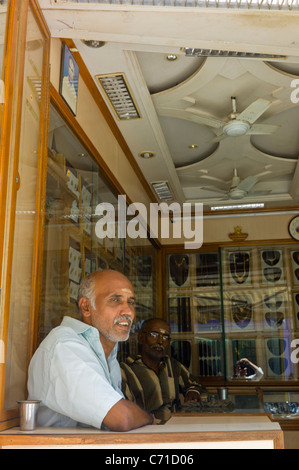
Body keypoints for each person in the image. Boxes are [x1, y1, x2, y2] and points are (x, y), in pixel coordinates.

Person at [27, 270, 154, 431]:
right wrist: (150, 418)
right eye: (115, 300)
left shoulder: (108, 353)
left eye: (130, 302)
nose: (128, 311)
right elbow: (122, 418)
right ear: (86, 307)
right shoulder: (64, 346)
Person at [120, 317, 207, 423]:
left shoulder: (172, 365)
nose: (160, 341)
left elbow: (194, 384)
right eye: (154, 335)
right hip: (144, 430)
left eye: (165, 337)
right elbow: (123, 409)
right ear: (141, 338)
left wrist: (192, 391)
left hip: (175, 427)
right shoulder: (126, 370)